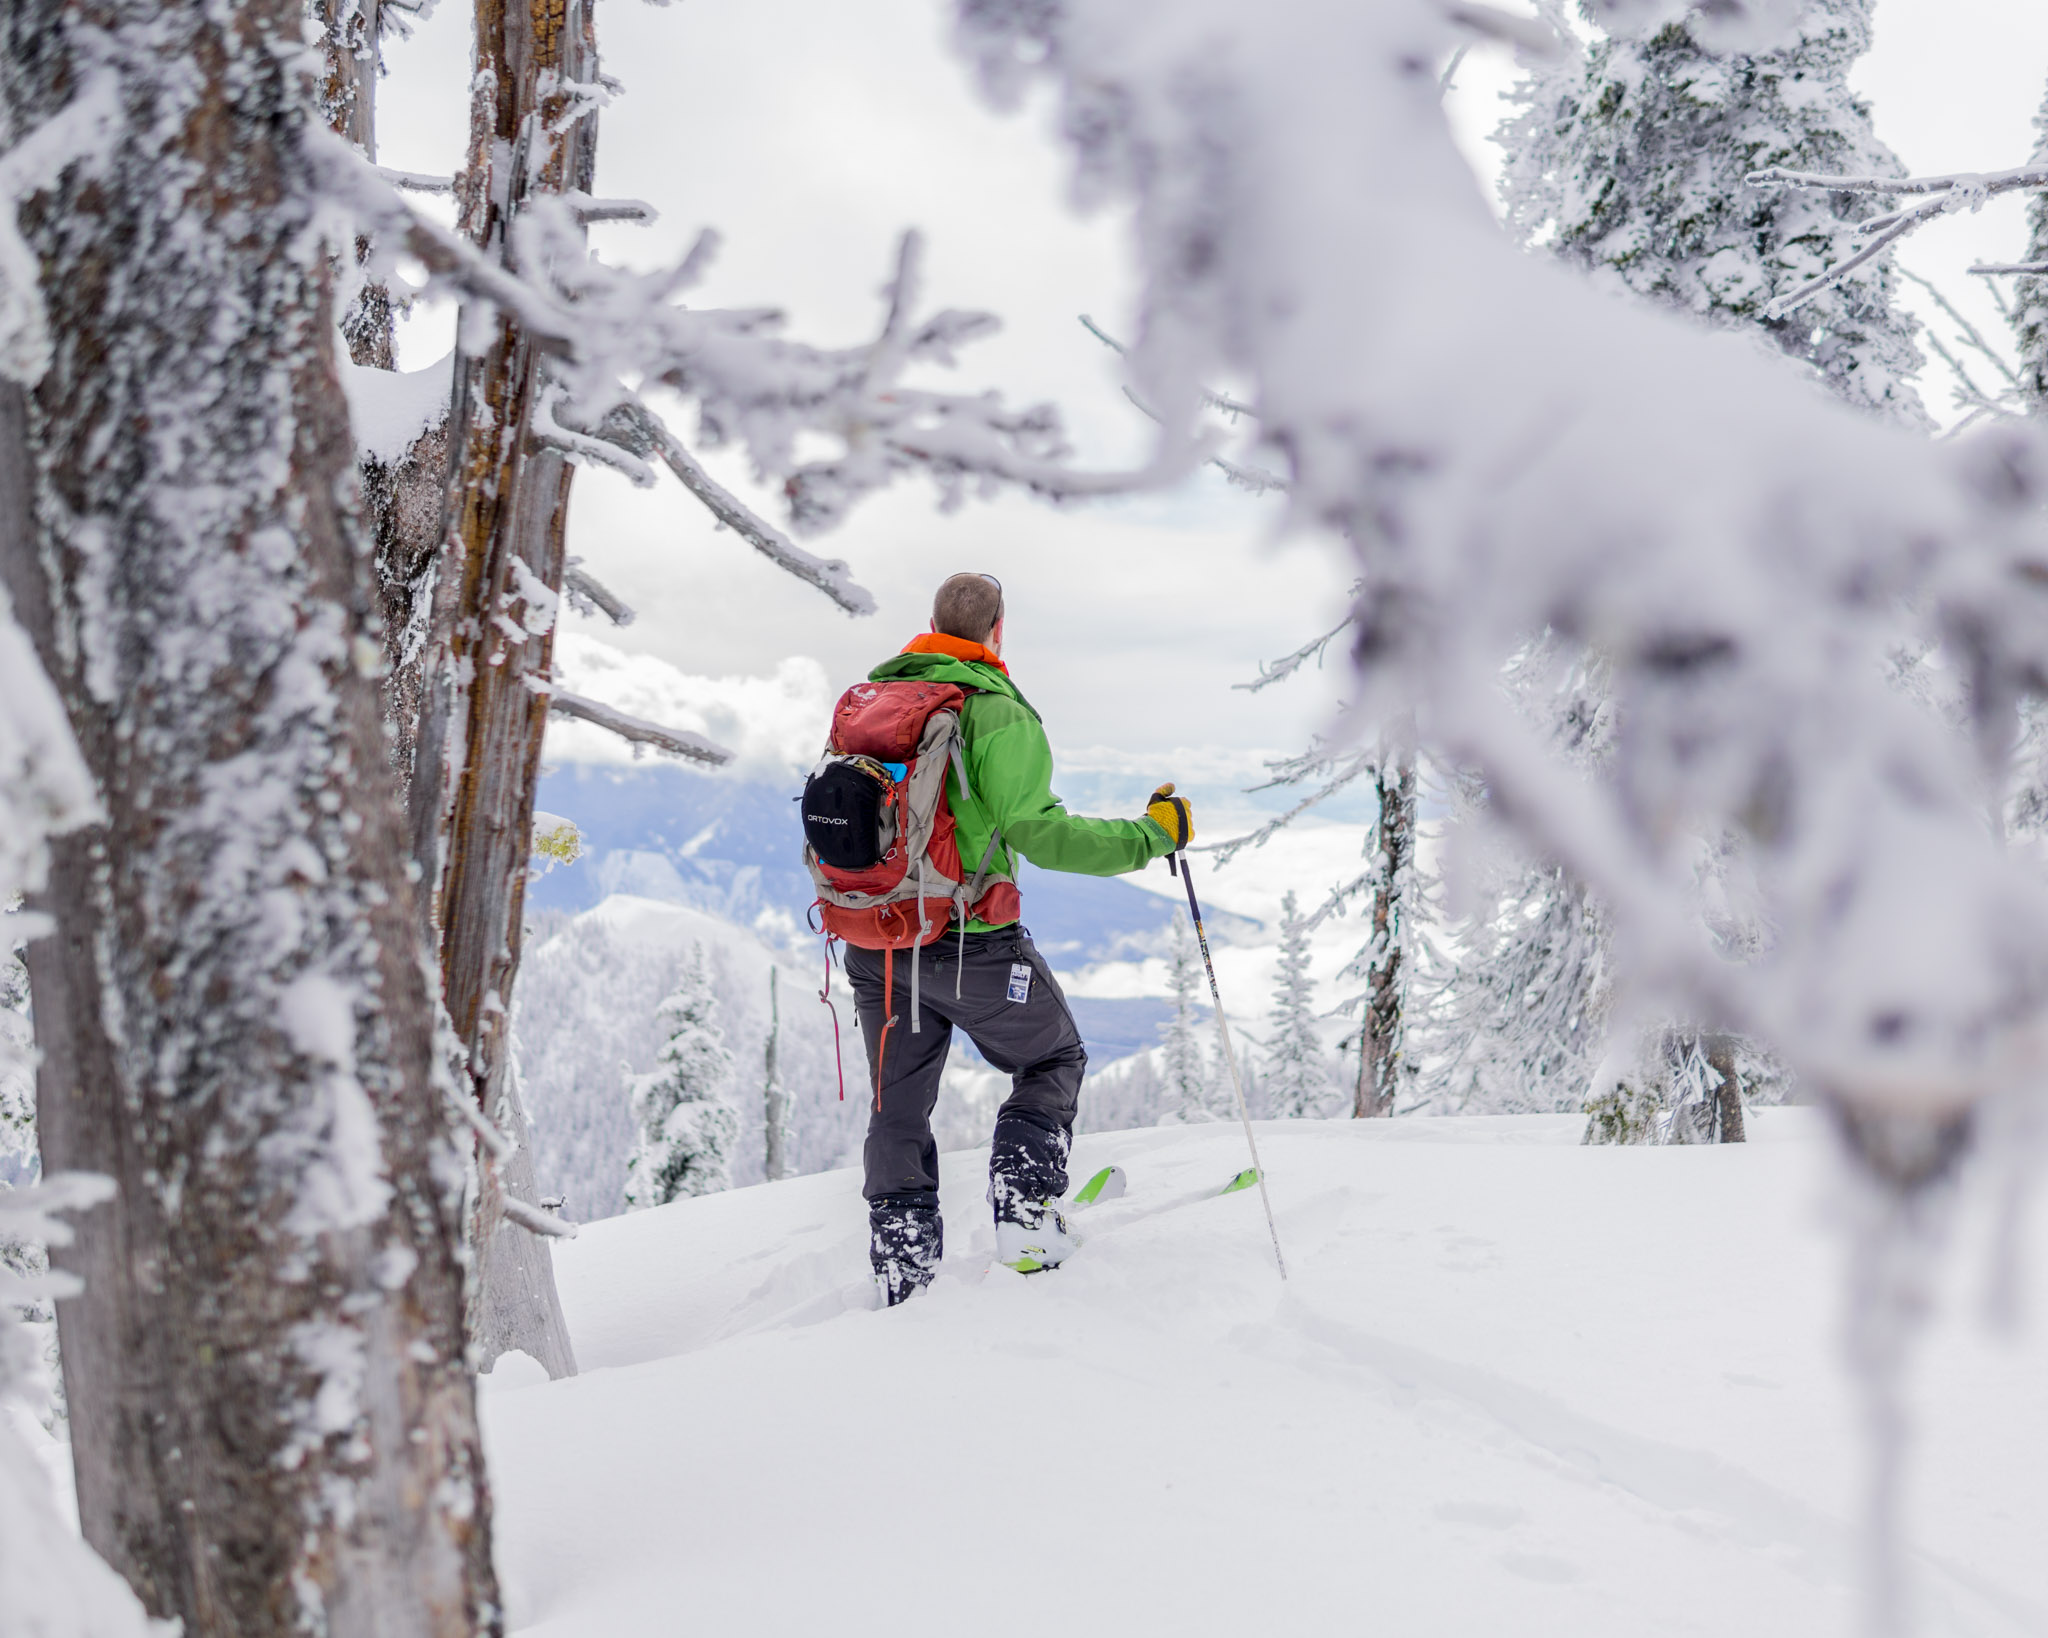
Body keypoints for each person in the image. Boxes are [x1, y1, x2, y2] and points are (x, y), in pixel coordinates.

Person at [845, 571, 1193, 1305]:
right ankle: (1027, 1218)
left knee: (898, 1102)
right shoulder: (994, 711)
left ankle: (902, 1268)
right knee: (1052, 1057)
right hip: (968, 944)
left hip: (876, 940)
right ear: (997, 629)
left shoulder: (875, 703)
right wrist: (1151, 836)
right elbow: (1042, 832)